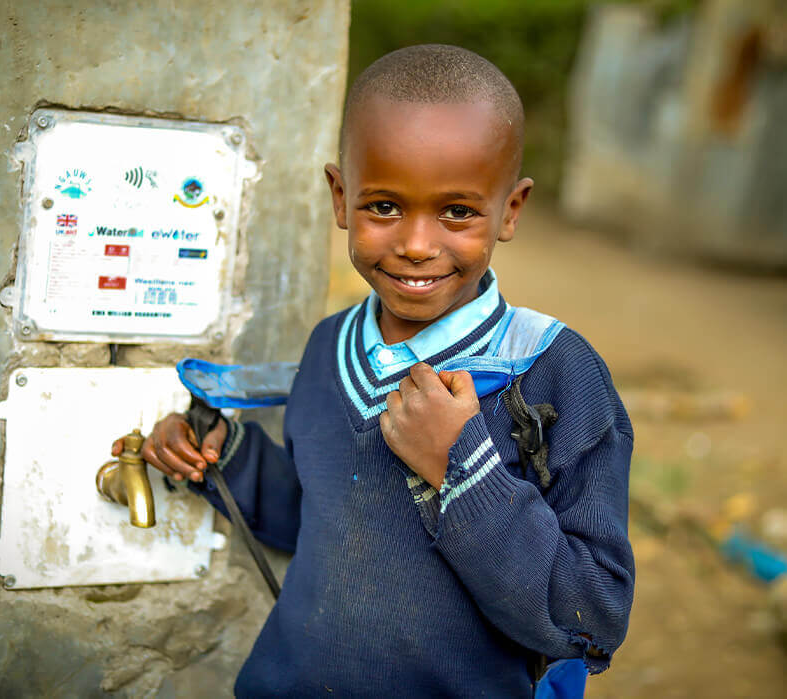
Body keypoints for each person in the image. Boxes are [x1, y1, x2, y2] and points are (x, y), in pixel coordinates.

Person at [114, 44, 634, 697]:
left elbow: (593, 619)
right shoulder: (332, 346)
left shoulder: (553, 372)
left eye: (458, 211)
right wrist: (225, 457)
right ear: (340, 196)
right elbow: (321, 517)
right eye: (384, 207)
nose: (417, 243)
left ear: (511, 210)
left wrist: (459, 468)